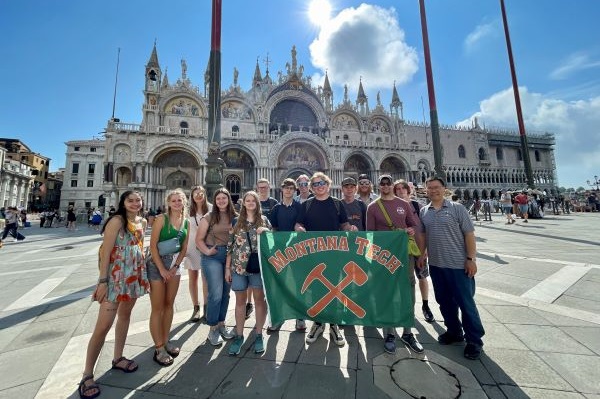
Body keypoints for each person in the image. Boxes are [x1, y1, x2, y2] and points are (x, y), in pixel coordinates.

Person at [78, 191, 149, 399]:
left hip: (133, 276)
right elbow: (106, 250)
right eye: (131, 200)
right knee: (103, 326)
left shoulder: (142, 222)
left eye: (138, 200)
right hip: (115, 277)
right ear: (123, 203)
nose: (135, 203)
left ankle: (118, 358)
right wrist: (102, 281)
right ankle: (87, 374)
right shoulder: (116, 221)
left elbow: (139, 246)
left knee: (125, 317)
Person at [419, 176, 485, 360]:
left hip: (458, 265)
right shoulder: (425, 211)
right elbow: (423, 235)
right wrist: (422, 254)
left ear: (444, 189)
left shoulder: (457, 209)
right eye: (430, 188)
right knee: (444, 301)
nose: (433, 190)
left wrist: (471, 259)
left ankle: (474, 340)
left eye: (436, 187)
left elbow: (469, 235)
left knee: (466, 303)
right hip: (437, 265)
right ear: (426, 191)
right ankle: (454, 332)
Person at [295, 172, 358, 346]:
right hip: (313, 254)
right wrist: (299, 228)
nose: (319, 186)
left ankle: (334, 325)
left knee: (336, 289)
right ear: (311, 188)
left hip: (334, 254)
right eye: (315, 184)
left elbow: (343, 224)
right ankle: (317, 324)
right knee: (316, 290)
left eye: (322, 183)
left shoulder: (338, 204)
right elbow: (299, 223)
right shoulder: (306, 205)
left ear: (328, 185)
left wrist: (350, 228)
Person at [367, 175, 425, 355]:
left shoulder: (404, 204)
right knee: (387, 293)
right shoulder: (373, 207)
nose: (385, 186)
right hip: (384, 258)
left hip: (405, 255)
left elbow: (414, 227)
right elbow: (370, 234)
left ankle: (408, 332)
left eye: (388, 183)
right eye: (382, 184)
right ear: (379, 186)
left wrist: (409, 230)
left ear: (392, 185)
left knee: (407, 291)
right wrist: (371, 261)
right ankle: (389, 333)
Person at [225, 191, 272, 355]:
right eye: (248, 200)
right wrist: (227, 269)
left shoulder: (264, 220)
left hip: (258, 267)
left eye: (253, 200)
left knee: (259, 300)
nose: (251, 203)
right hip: (238, 267)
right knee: (240, 302)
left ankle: (259, 334)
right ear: (243, 203)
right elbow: (229, 246)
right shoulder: (236, 221)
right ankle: (239, 335)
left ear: (257, 203)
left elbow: (272, 243)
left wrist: (266, 231)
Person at [147, 188, 189, 366]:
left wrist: (175, 266)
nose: (177, 203)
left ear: (184, 202)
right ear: (168, 203)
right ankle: (159, 348)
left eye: (180, 201)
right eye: (174, 201)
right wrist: (162, 269)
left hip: (174, 266)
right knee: (157, 308)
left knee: (169, 305)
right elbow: (153, 246)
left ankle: (166, 340)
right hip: (157, 266)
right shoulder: (160, 219)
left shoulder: (186, 222)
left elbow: (184, 248)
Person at [196, 188, 237, 346]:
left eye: (224, 198)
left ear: (228, 200)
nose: (221, 201)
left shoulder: (235, 217)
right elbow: (198, 239)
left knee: (226, 293)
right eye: (218, 198)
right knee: (216, 294)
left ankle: (221, 324)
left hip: (229, 257)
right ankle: (212, 329)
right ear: (215, 201)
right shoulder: (209, 216)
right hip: (213, 256)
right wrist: (207, 251)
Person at [266, 178, 306, 332]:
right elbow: (273, 229)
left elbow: (301, 224)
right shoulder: (276, 208)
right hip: (281, 252)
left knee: (298, 285)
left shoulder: (299, 207)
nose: (288, 190)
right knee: (280, 284)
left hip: (297, 251)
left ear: (295, 191)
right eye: (286, 188)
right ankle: (279, 318)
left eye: (291, 188)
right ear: (281, 189)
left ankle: (300, 317)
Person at [393, 179, 435, 323]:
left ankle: (425, 306)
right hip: (402, 251)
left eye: (403, 188)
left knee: (422, 277)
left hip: (419, 249)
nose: (400, 191)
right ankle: (405, 307)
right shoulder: (392, 208)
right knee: (404, 280)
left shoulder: (418, 206)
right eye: (397, 189)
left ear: (408, 190)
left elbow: (426, 229)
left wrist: (426, 249)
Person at [251, 179, 279, 319]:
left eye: (265, 187)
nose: (262, 189)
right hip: (251, 245)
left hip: (268, 244)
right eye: (260, 187)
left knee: (269, 275)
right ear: (257, 188)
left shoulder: (274, 203)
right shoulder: (252, 201)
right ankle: (249, 304)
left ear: (269, 188)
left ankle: (270, 305)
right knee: (251, 273)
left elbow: (276, 224)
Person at [185, 186, 211, 323]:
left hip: (207, 245)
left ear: (205, 194)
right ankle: (196, 307)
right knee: (193, 277)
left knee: (206, 278)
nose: (199, 195)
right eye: (196, 194)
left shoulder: (211, 208)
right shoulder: (187, 211)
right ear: (192, 196)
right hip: (191, 246)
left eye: (201, 193)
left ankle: (206, 308)